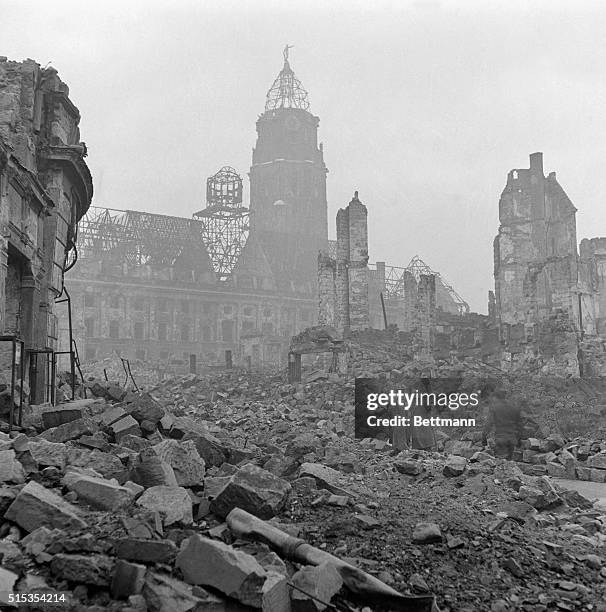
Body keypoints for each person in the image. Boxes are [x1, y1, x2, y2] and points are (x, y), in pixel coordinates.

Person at [484, 387, 522, 459]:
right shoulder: (514, 407)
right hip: (512, 439)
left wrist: (483, 438)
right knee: (510, 464)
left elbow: (488, 424)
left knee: (500, 465)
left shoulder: (494, 407)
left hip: (501, 439)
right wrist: (519, 440)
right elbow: (520, 425)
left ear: (496, 397)